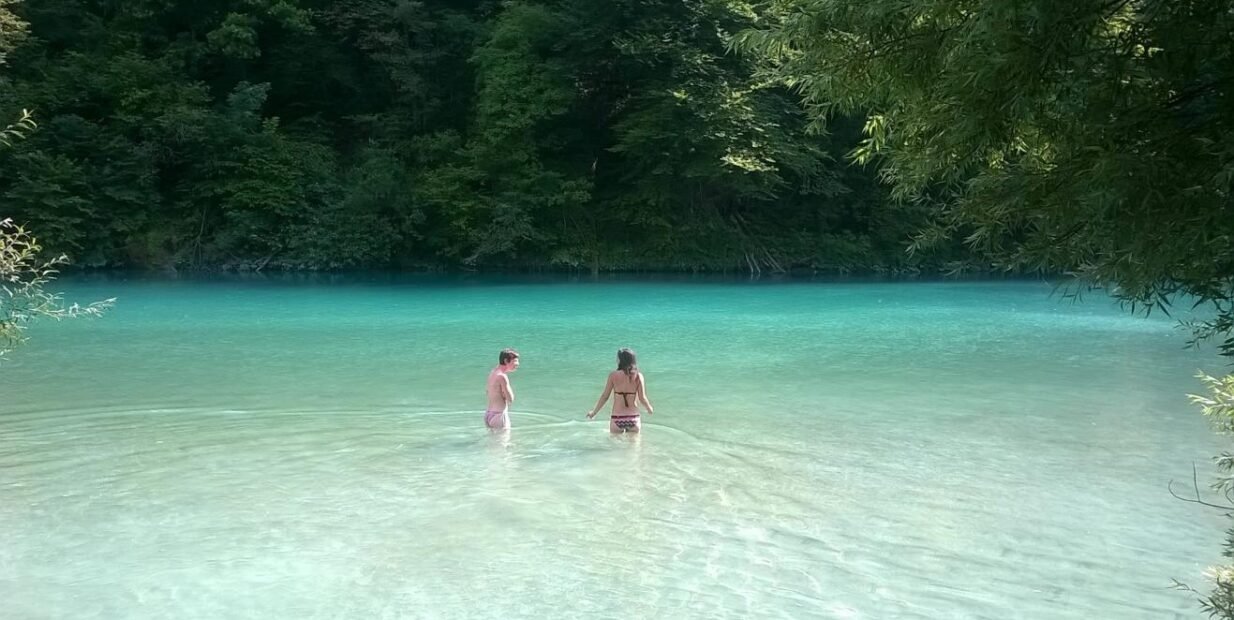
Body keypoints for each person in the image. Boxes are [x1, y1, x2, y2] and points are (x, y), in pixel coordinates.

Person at [587, 348, 654, 433]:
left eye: (617, 358)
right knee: (635, 446)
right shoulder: (638, 376)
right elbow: (642, 398)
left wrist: (594, 412)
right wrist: (649, 408)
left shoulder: (613, 375)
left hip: (617, 418)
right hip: (633, 418)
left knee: (615, 445)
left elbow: (605, 396)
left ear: (621, 360)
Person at [485, 348, 520, 429]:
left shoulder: (493, 372)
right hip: (499, 416)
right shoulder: (502, 376)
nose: (517, 364)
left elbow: (487, 392)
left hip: (488, 414)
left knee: (492, 440)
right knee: (504, 441)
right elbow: (510, 399)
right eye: (515, 361)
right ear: (506, 361)